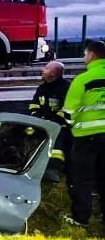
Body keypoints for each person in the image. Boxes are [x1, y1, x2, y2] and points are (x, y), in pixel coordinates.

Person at [62, 40, 105, 228]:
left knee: (82, 179)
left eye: (85, 54)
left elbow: (69, 112)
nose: (83, 57)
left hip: (86, 138)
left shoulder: (82, 79)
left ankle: (81, 219)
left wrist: (72, 127)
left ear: (92, 55)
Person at [28, 60, 71, 182]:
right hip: (42, 123)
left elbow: (67, 109)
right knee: (21, 132)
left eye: (46, 68)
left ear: (53, 72)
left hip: (61, 126)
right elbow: (34, 104)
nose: (43, 70)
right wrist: (36, 116)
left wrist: (53, 122)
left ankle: (52, 170)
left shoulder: (65, 88)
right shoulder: (42, 88)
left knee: (56, 143)